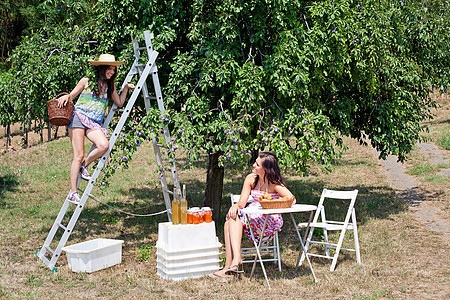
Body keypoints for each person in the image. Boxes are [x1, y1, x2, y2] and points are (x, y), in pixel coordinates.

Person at [57, 54, 135, 204]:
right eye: (109, 69)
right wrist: (65, 97)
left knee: (104, 145)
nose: (112, 72)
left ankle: (83, 166)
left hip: (93, 123)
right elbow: (72, 95)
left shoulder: (110, 86)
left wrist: (125, 88)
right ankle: (73, 192)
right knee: (78, 155)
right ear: (102, 68)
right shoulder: (86, 81)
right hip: (78, 118)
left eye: (113, 69)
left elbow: (119, 102)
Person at [209, 152, 294, 279]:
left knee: (231, 221)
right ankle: (232, 265)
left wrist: (273, 202)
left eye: (257, 164)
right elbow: (242, 202)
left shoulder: (274, 183)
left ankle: (232, 264)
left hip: (268, 219)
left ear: (265, 169)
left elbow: (292, 199)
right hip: (251, 216)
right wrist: (236, 206)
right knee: (230, 220)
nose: (253, 165)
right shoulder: (251, 179)